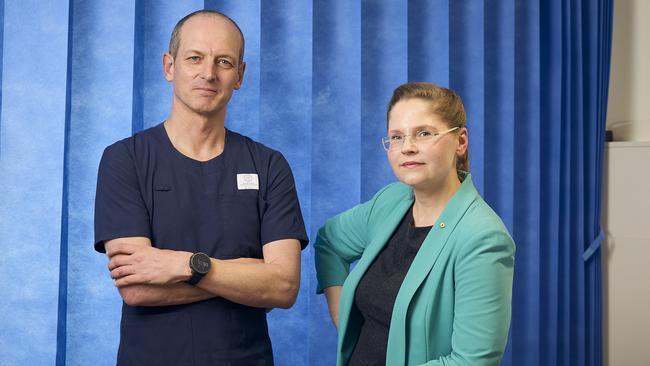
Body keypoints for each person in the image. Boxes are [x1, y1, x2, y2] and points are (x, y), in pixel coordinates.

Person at [94, 10, 308, 365]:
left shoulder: (269, 165)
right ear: (169, 66)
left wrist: (186, 265)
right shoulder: (124, 159)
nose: (208, 73)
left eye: (223, 61)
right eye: (195, 58)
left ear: (239, 76)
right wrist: (244, 276)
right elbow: (137, 287)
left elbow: (283, 287)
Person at [314, 82, 515, 365]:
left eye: (423, 133)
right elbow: (330, 240)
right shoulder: (391, 201)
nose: (407, 148)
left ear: (461, 142)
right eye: (396, 137)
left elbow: (471, 362)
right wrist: (341, 309)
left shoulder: (483, 238)